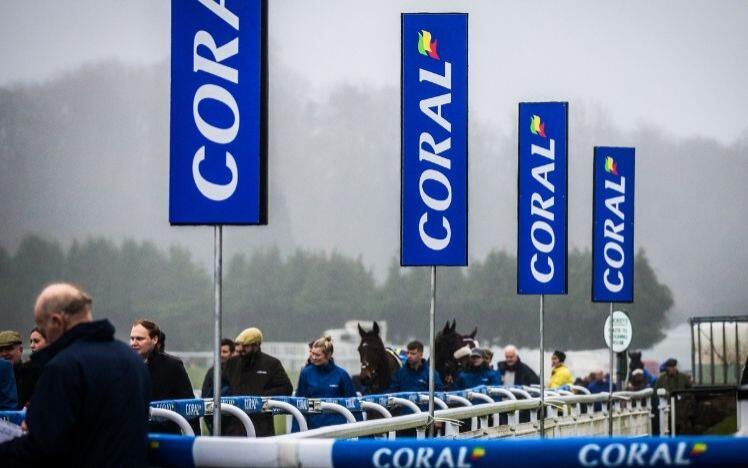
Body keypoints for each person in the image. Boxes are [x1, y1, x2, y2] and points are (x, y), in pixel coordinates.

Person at [0, 283, 150, 467]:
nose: (44, 338)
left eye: (43, 329)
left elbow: (41, 448)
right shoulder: (132, 360)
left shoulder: (63, 367)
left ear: (57, 322)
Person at [222, 327, 293, 437]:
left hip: (262, 427)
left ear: (256, 345)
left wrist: (259, 399)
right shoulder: (232, 363)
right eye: (239, 345)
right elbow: (223, 386)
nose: (240, 349)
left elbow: (286, 388)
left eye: (245, 346)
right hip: (234, 426)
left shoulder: (272, 364)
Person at [130, 319, 196, 434]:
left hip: (166, 437)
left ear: (155, 339)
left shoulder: (173, 366)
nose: (134, 343)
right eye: (132, 338)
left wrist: (195, 441)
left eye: (139, 339)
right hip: (132, 438)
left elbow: (189, 405)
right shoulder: (123, 365)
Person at [295, 336, 356, 430]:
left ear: (328, 355)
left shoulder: (342, 375)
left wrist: (360, 434)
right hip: (313, 430)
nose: (314, 357)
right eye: (313, 354)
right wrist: (295, 432)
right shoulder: (305, 373)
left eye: (318, 355)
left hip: (338, 430)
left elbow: (354, 404)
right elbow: (298, 403)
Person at [0, 330, 36, 409]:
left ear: (21, 350)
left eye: (8, 349)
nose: (4, 353)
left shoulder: (32, 373)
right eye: (0, 350)